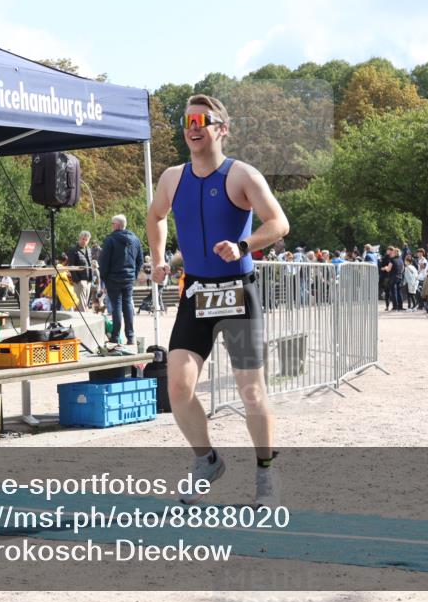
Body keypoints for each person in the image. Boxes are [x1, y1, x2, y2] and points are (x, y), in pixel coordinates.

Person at [147, 93, 289, 507]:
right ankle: (206, 459)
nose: (193, 126)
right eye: (187, 120)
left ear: (221, 129)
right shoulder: (173, 178)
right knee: (177, 385)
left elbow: (278, 222)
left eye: (202, 120)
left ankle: (265, 474)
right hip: (197, 294)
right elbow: (156, 215)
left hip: (237, 291)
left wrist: (244, 244)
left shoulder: (242, 175)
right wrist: (159, 260)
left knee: (251, 391)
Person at [99, 214, 144, 345]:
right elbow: (140, 260)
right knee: (128, 305)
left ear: (117, 225)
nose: (111, 226)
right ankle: (130, 337)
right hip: (128, 278)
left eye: (112, 224)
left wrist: (104, 277)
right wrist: (133, 275)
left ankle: (115, 336)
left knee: (116, 306)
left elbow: (104, 261)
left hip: (113, 279)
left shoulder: (110, 240)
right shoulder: (135, 239)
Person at [66, 230, 93, 312]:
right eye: (82, 239)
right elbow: (71, 266)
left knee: (85, 304)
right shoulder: (73, 249)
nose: (84, 241)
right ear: (79, 238)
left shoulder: (88, 249)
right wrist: (77, 281)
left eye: (86, 239)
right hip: (80, 281)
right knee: (81, 305)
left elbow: (89, 263)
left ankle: (83, 320)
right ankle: (83, 322)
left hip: (88, 280)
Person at [384, 246, 405, 311]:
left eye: (393, 252)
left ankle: (395, 307)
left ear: (395, 253)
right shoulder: (401, 260)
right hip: (400, 277)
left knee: (394, 292)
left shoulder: (392, 260)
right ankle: (400, 306)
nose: (392, 253)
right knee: (399, 292)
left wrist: (385, 268)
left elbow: (388, 269)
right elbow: (403, 269)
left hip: (393, 277)